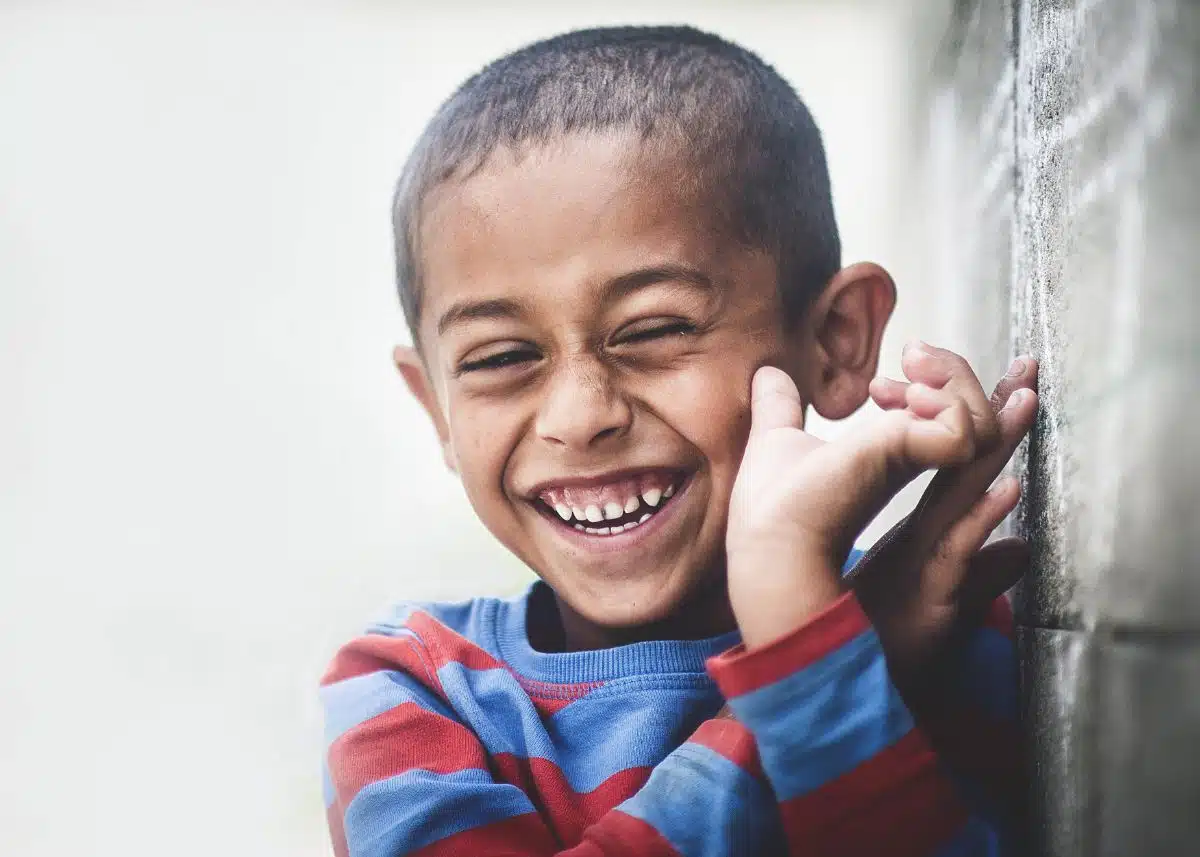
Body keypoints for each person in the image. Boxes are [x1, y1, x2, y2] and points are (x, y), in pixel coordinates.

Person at [319, 25, 1040, 857]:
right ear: (436, 406)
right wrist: (812, 666)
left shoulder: (944, 613)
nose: (580, 414)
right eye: (503, 356)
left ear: (836, 341)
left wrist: (809, 638)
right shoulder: (412, 695)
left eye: (654, 328)